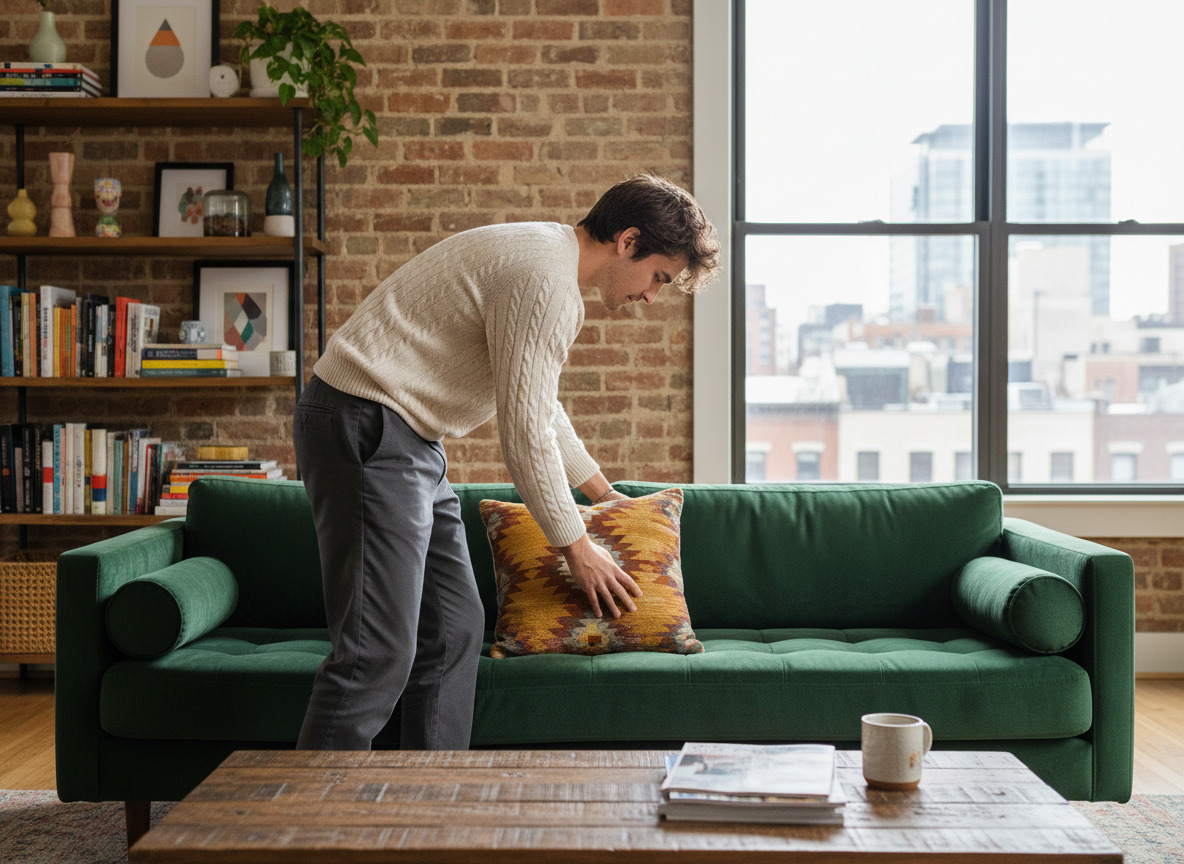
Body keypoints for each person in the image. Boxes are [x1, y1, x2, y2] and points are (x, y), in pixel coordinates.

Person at [293, 172, 720, 751]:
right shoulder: (545, 282)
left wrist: (604, 495)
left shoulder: (549, 262)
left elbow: (538, 406)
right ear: (627, 241)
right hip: (367, 425)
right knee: (376, 652)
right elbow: (524, 434)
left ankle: (428, 811)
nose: (651, 295)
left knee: (453, 629)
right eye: (658, 277)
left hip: (410, 438)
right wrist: (576, 546)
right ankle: (306, 836)